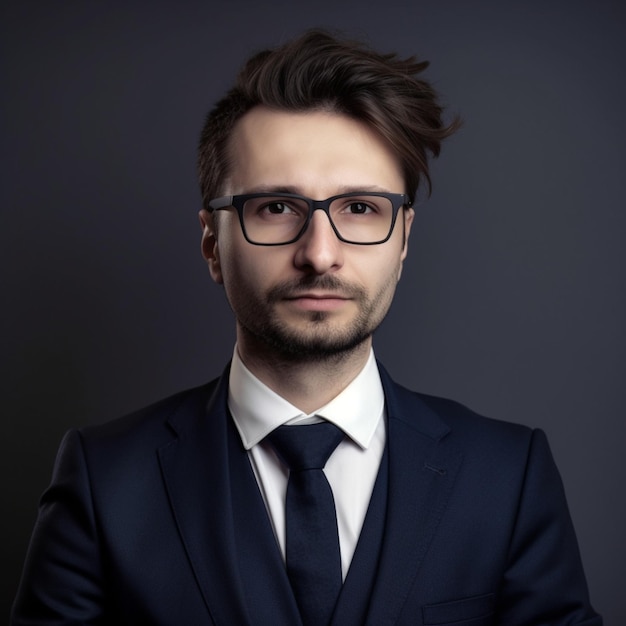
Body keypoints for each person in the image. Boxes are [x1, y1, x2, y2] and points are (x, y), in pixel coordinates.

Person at [12, 30, 601, 625]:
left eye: (361, 208)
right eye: (275, 208)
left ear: (403, 241)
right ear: (212, 244)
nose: (320, 254)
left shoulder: (508, 475)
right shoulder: (105, 480)